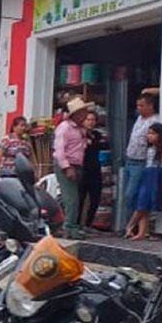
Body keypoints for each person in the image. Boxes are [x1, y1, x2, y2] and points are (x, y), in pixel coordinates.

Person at [125, 122, 162, 240]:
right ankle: (140, 232)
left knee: (145, 205)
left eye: (152, 134)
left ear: (160, 135)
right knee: (142, 203)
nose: (149, 136)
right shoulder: (150, 148)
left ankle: (131, 226)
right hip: (147, 174)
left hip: (155, 174)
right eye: (148, 133)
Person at [52, 97, 92, 239]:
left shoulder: (80, 129)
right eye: (83, 112)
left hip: (77, 164)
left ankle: (57, 220)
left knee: (69, 197)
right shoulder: (64, 128)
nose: (86, 115)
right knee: (72, 198)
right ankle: (69, 227)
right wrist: (67, 167)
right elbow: (59, 150)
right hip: (67, 165)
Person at [122, 90, 162, 231]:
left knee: (131, 195)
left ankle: (130, 226)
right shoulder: (139, 119)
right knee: (128, 194)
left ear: (150, 106)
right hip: (130, 159)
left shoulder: (155, 120)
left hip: (141, 161)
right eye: (138, 106)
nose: (139, 108)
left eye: (142, 106)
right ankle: (132, 226)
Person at [78, 110, 108, 229]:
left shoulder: (97, 135)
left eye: (93, 120)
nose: (91, 122)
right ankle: (76, 224)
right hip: (82, 168)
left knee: (95, 198)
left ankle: (88, 224)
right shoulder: (79, 134)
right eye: (88, 120)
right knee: (80, 198)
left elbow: (103, 145)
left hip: (95, 168)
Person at [0, 116, 32, 181]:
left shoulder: (26, 142)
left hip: (22, 174)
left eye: (25, 126)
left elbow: (29, 159)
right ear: (14, 127)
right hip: (9, 173)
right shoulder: (7, 139)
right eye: (21, 126)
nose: (23, 128)